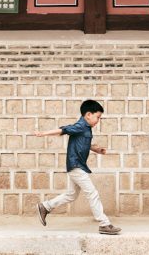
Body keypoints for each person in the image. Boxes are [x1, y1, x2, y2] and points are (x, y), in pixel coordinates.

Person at [34, 99, 121, 235]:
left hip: (77, 166)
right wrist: (43, 133)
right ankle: (104, 224)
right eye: (98, 117)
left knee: (71, 195)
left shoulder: (86, 129)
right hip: (76, 165)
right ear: (88, 115)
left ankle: (45, 206)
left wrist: (96, 150)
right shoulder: (80, 126)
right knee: (92, 193)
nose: (98, 120)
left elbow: (84, 143)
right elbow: (64, 130)